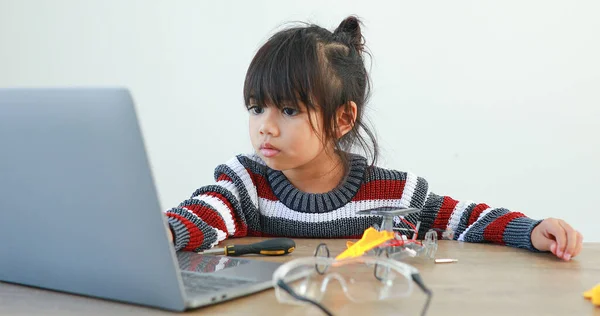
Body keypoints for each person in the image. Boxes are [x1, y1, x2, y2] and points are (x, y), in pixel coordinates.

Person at [165, 16, 583, 261]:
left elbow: (464, 219)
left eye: (289, 110)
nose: (265, 127)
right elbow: (202, 213)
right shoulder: (245, 184)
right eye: (256, 108)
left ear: (343, 119)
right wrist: (163, 231)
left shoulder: (393, 193)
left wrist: (529, 230)